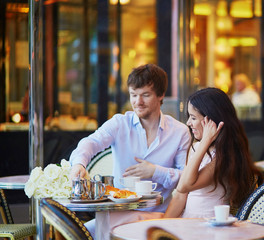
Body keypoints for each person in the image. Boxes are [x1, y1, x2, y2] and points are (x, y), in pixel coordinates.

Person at [69, 64, 190, 237]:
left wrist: (155, 171)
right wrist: (79, 164)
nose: (138, 102)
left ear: (161, 95)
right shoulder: (120, 123)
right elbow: (91, 142)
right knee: (77, 230)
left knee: (85, 231)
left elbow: (186, 179)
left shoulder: (180, 132)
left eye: (145, 95)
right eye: (134, 95)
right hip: (121, 212)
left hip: (161, 216)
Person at [164, 87, 263, 218]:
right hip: (187, 223)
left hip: (208, 227)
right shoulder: (196, 148)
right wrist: (163, 225)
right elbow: (180, 196)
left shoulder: (223, 155)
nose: (188, 123)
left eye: (193, 118)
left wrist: (205, 141)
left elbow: (184, 186)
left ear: (211, 121)